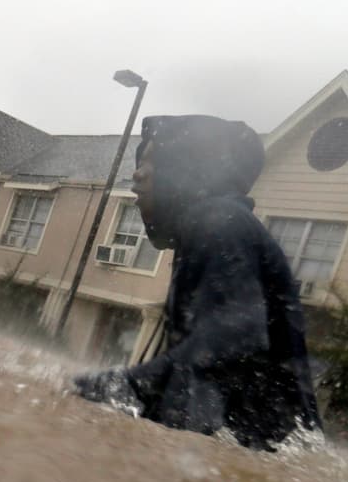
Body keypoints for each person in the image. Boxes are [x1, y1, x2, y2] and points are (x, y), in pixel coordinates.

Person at [73, 115, 321, 451]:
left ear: (186, 168)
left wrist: (125, 386)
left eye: (151, 161)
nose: (137, 173)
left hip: (273, 458)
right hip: (262, 455)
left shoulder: (220, 223)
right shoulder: (212, 226)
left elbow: (232, 338)